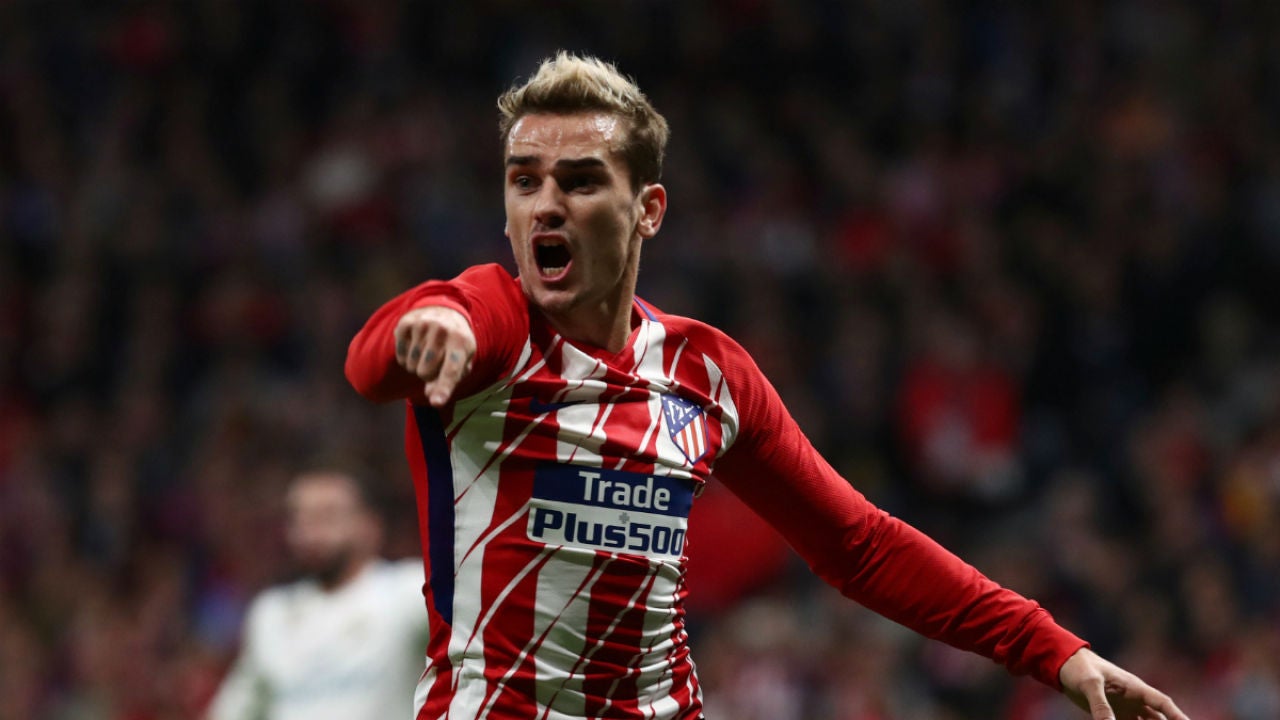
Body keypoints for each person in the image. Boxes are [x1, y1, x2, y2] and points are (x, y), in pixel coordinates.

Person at [345, 51, 1188, 720]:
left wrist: (1057, 652)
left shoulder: (706, 372)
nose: (546, 204)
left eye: (581, 180)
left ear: (648, 210)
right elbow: (372, 362)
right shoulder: (492, 323)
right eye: (524, 180)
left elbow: (860, 546)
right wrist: (433, 328)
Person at [206, 469, 428, 720]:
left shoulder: (409, 592)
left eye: (328, 515)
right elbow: (235, 710)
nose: (312, 531)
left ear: (370, 525)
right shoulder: (272, 613)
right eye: (301, 518)